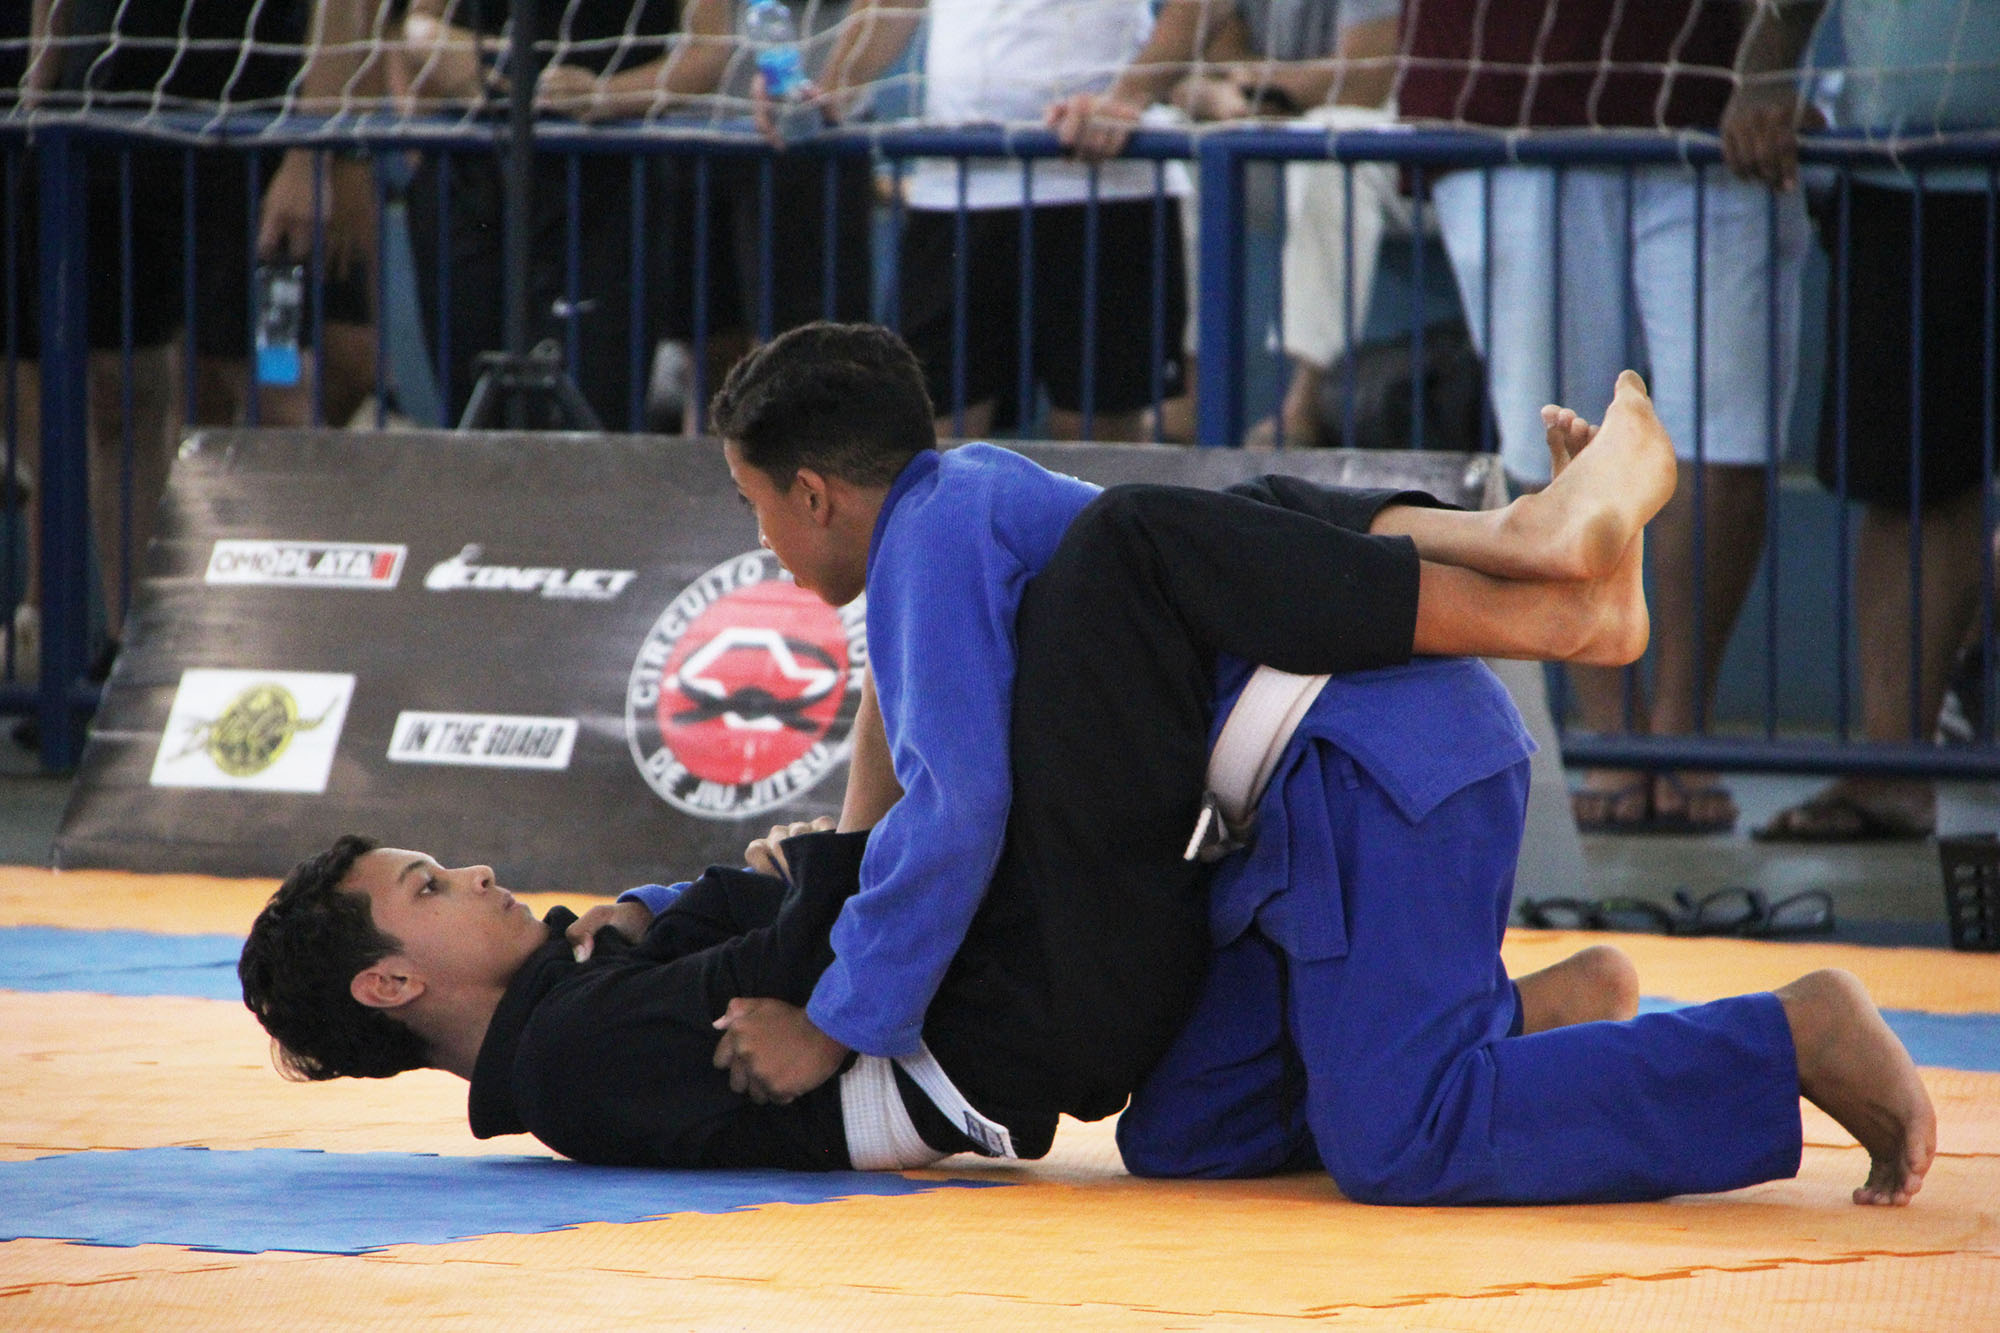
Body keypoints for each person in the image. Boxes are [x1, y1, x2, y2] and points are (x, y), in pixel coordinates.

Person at [241, 394, 1935, 1201]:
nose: (472, 873)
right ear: (391, 982)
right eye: (427, 887)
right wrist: (776, 896)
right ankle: (1504, 1004)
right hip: (1303, 812)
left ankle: (1769, 1035)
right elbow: (784, 947)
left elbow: (814, 908)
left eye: (440, 860)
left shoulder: (991, 555)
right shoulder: (565, 1051)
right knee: (1190, 1132)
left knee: (1399, 1137)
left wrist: (731, 908)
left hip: (1359, 772)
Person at [700, 323, 1669, 1124]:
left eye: (755, 507)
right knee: (1228, 517)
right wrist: (831, 865)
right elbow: (902, 751)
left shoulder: (930, 537)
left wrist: (836, 1023)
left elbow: (958, 808)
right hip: (1232, 725)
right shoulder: (961, 496)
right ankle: (1526, 549)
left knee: (1154, 534)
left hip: (1212, 773)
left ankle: (1542, 580)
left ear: (813, 494)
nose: (763, 541)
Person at [1398, 0, 1813, 835]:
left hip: (1705, 98)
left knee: (1728, 437)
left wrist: (1771, 57)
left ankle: (1679, 732)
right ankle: (1611, 734)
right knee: (1555, 435)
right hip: (1505, 100)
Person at [1732, 0, 2000, 841]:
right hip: (1904, 181)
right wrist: (1761, 84)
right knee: (1909, 485)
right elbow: (1784, 13)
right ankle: (1891, 771)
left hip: (1916, 174)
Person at [807, 0, 1190, 441]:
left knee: (1097, 439)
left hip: (1106, 184)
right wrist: (830, 92)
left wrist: (1128, 95)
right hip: (954, 185)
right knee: (933, 437)